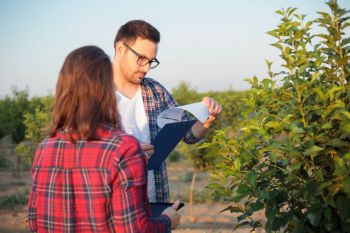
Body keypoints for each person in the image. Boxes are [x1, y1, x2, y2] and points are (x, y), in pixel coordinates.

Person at [27, 45, 180, 232]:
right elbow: (132, 229)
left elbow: (34, 220)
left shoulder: (44, 148)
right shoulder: (124, 148)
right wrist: (167, 220)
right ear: (106, 86)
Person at [112, 20, 222, 202]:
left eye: (151, 61)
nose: (146, 68)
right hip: (113, 207)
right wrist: (127, 153)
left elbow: (189, 135)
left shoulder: (156, 92)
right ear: (120, 49)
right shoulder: (91, 95)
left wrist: (206, 119)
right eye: (141, 59)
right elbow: (79, 153)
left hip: (154, 203)